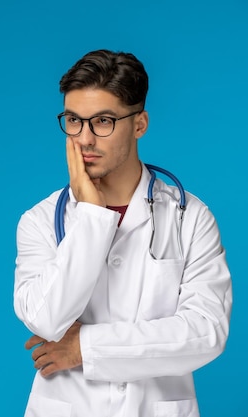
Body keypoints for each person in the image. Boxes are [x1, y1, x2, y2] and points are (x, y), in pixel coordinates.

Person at [13, 49, 232, 417]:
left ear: (140, 124)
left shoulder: (190, 217)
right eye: (73, 120)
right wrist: (92, 216)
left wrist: (85, 347)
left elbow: (205, 333)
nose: (84, 139)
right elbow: (46, 318)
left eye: (103, 121)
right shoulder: (39, 220)